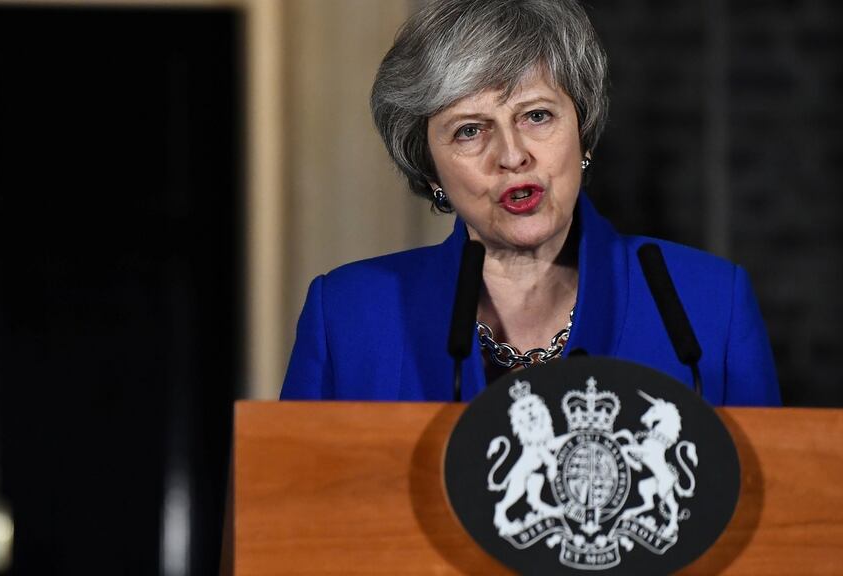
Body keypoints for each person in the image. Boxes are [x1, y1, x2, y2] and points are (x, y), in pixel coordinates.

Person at [280, 0, 780, 406]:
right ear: (429, 167)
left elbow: (773, 498)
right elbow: (289, 500)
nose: (512, 155)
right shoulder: (349, 316)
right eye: (469, 130)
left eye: (537, 115)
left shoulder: (708, 306)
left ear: (582, 133)